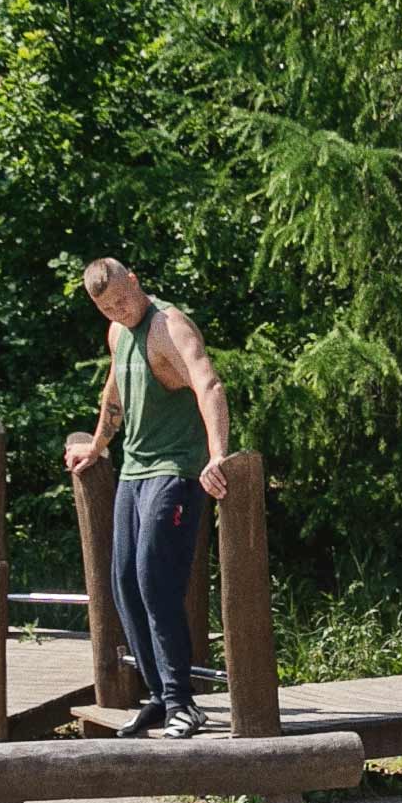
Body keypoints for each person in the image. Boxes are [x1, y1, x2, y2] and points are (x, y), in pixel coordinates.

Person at [63, 258, 241, 739]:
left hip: (176, 471)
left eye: (122, 299)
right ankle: (160, 699)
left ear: (135, 282)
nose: (119, 311)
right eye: (106, 307)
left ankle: (185, 702)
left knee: (154, 580)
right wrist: (98, 446)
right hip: (134, 473)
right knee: (122, 583)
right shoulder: (120, 334)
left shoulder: (169, 325)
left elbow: (209, 384)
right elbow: (115, 391)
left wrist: (217, 454)